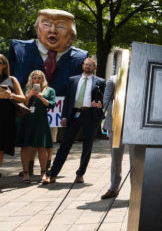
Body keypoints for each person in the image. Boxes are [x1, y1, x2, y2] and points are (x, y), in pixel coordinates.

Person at [9, 9, 87, 175]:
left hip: (55, 112)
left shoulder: (80, 58)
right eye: (46, 24)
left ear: (71, 34)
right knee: (28, 140)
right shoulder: (18, 49)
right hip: (26, 111)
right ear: (38, 28)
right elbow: (7, 79)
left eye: (60, 26)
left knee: (48, 141)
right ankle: (27, 168)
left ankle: (47, 168)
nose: (52, 30)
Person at [44, 57, 106, 184]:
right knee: (64, 145)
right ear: (83, 66)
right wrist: (64, 116)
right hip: (74, 114)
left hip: (91, 115)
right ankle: (52, 174)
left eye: (90, 65)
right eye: (86, 64)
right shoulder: (73, 80)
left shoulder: (100, 81)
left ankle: (80, 174)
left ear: (94, 68)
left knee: (87, 146)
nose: (87, 66)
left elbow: (105, 99)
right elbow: (68, 100)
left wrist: (100, 105)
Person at [15, 70, 56, 184]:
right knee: (25, 147)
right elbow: (22, 103)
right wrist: (29, 94)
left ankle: (43, 173)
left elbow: (51, 105)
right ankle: (26, 173)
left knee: (41, 147)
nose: (36, 80)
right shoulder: (26, 89)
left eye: (39, 78)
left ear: (43, 79)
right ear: (31, 79)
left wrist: (42, 97)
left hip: (41, 121)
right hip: (26, 121)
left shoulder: (49, 90)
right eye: (34, 78)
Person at [100, 74, 134, 199]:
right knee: (116, 159)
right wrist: (118, 114)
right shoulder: (113, 79)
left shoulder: (141, 76)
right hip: (115, 124)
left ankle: (135, 190)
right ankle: (114, 187)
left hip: (134, 125)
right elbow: (106, 101)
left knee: (136, 160)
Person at [0, 54, 26, 177]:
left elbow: (23, 98)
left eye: (0, 62)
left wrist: (11, 95)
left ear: (4, 65)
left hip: (6, 119)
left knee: (1, 147)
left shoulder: (12, 79)